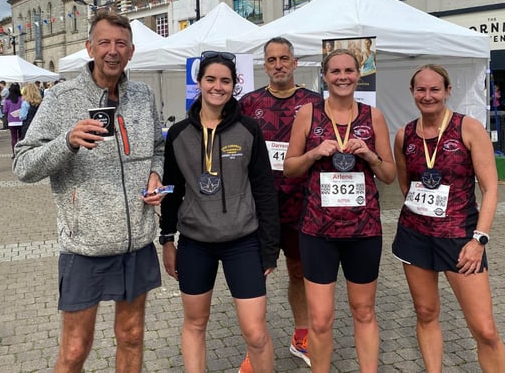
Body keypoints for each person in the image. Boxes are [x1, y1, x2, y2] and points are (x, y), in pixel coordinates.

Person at [13, 10, 165, 372]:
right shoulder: (62, 98)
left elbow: (158, 147)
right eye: (104, 43)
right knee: (75, 349)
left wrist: (155, 175)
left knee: (131, 336)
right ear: (89, 48)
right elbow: (22, 165)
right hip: (86, 245)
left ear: (131, 51)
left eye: (120, 44)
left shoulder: (143, 95)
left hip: (136, 241)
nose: (112, 51)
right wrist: (66, 141)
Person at [160, 51, 279, 373]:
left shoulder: (249, 129)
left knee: (255, 333)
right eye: (210, 79)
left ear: (234, 85)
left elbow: (265, 190)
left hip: (243, 242)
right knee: (196, 323)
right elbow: (171, 190)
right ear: (199, 83)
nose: (217, 86)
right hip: (195, 243)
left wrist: (270, 248)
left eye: (225, 80)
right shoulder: (179, 134)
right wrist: (167, 240)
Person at [283, 49, 396, 372]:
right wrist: (314, 152)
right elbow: (290, 168)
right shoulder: (308, 114)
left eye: (349, 70)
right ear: (325, 75)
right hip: (318, 231)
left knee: (363, 312)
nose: (342, 77)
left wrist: (371, 156)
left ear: (359, 74)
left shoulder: (373, 116)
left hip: (363, 231)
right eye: (335, 71)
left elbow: (389, 175)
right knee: (320, 319)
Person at [391, 64, 505, 372]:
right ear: (412, 92)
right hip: (415, 235)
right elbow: (407, 185)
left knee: (484, 328)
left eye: (434, 89)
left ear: (447, 91)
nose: (427, 96)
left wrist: (479, 239)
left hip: (461, 238)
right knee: (426, 312)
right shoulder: (404, 135)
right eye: (421, 90)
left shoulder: (467, 128)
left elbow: (490, 188)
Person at [239, 37, 322, 368]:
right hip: (260, 206)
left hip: (303, 205)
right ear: (264, 64)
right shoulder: (249, 103)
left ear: (295, 62)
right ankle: (255, 347)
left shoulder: (314, 102)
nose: (278, 65)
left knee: (299, 272)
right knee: (254, 277)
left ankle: (301, 336)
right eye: (271, 59)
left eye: (284, 58)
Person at [2, 83, 23, 157]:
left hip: (11, 121)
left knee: (13, 137)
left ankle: (14, 153)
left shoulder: (7, 100)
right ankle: (21, 152)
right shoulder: (22, 99)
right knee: (21, 137)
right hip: (21, 120)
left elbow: (4, 111)